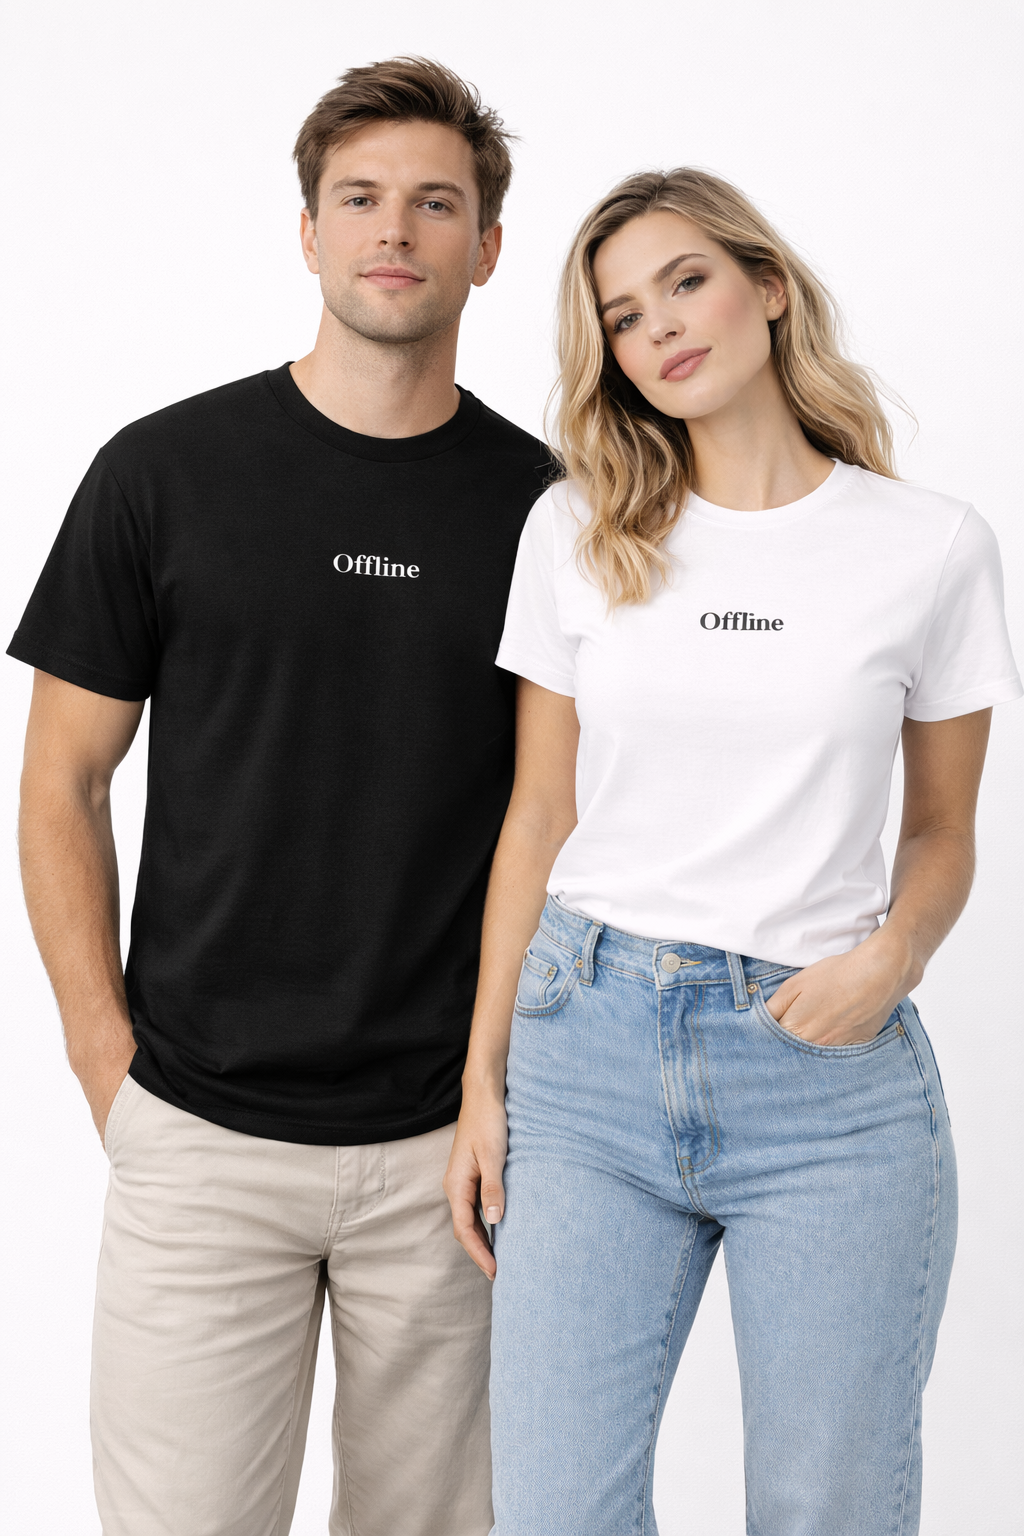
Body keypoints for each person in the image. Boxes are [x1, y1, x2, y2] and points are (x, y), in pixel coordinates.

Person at [11, 56, 548, 1536]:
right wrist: (101, 1059)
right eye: (361, 198)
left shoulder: (546, 514)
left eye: (436, 203)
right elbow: (61, 778)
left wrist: (503, 1087)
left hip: (453, 1152)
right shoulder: (164, 473)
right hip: (196, 1132)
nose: (397, 230)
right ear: (306, 233)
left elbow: (554, 819)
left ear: (486, 248)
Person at [444, 168, 1021, 1536]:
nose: (663, 330)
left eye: (685, 283)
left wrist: (892, 960)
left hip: (820, 1072)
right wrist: (482, 1081)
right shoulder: (578, 529)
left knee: (824, 1509)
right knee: (555, 1515)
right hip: (583, 1059)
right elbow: (539, 814)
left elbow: (943, 830)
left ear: (768, 286)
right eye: (625, 317)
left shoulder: (927, 548)